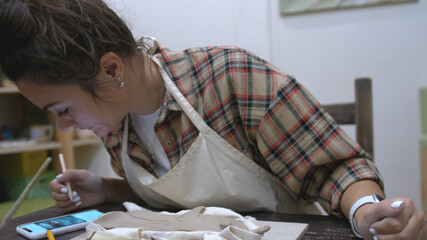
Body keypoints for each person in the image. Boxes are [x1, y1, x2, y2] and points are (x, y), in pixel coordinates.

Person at [0, 0, 425, 239]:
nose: (64, 128)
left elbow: (335, 169)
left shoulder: (230, 78)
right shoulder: (118, 126)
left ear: (112, 71)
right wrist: (108, 189)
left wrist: (368, 210)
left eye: (64, 111)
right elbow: (178, 202)